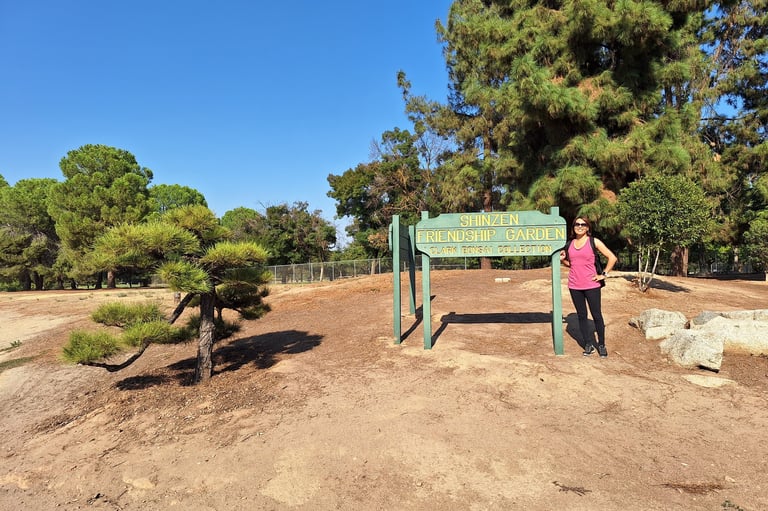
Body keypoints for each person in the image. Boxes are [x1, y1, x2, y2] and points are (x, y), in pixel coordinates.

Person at [559, 217, 618, 358]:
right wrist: (563, 260)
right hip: (574, 285)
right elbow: (572, 264)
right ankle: (588, 344)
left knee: (596, 315)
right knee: (581, 315)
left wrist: (603, 274)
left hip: (592, 285)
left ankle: (601, 345)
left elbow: (612, 257)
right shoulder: (569, 244)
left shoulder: (594, 241)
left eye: (583, 224)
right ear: (573, 227)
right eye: (577, 224)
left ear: (587, 227)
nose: (579, 226)